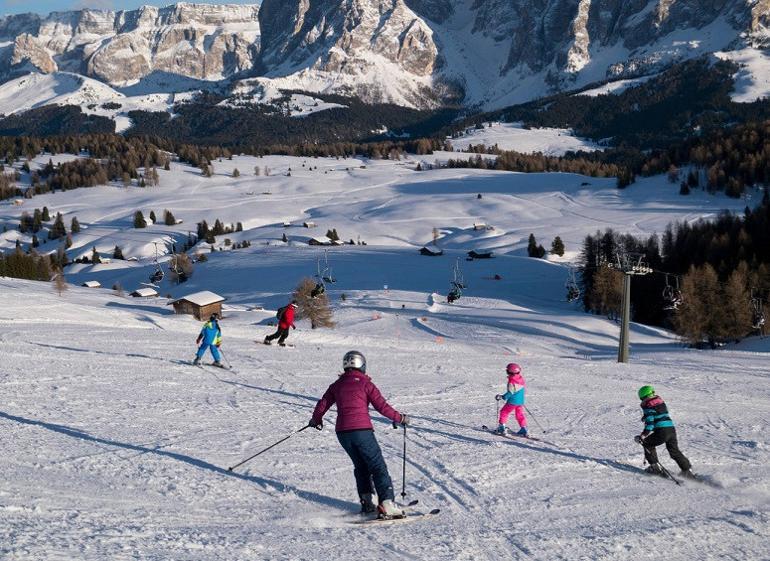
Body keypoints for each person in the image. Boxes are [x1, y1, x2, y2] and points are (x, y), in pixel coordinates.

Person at [309, 350, 410, 519]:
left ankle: (368, 502)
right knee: (377, 466)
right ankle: (387, 504)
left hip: (343, 434)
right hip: (361, 431)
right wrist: (400, 418)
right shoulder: (365, 384)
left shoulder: (336, 385)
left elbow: (322, 404)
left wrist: (316, 420)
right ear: (362, 365)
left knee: (361, 467)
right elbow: (382, 406)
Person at [635, 385, 695, 479]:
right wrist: (646, 417)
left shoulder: (647, 405)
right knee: (674, 450)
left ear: (643, 397)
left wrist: (642, 435)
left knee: (647, 443)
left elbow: (650, 424)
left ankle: (655, 468)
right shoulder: (660, 402)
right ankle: (687, 470)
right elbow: (658, 414)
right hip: (671, 429)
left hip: (662, 431)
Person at [495, 363, 527, 436]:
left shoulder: (512, 381)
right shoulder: (520, 379)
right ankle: (523, 428)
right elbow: (521, 389)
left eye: (507, 371)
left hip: (513, 401)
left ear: (510, 372)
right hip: (520, 401)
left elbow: (510, 392)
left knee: (504, 412)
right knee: (519, 414)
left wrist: (502, 397)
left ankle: (501, 427)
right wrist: (520, 399)